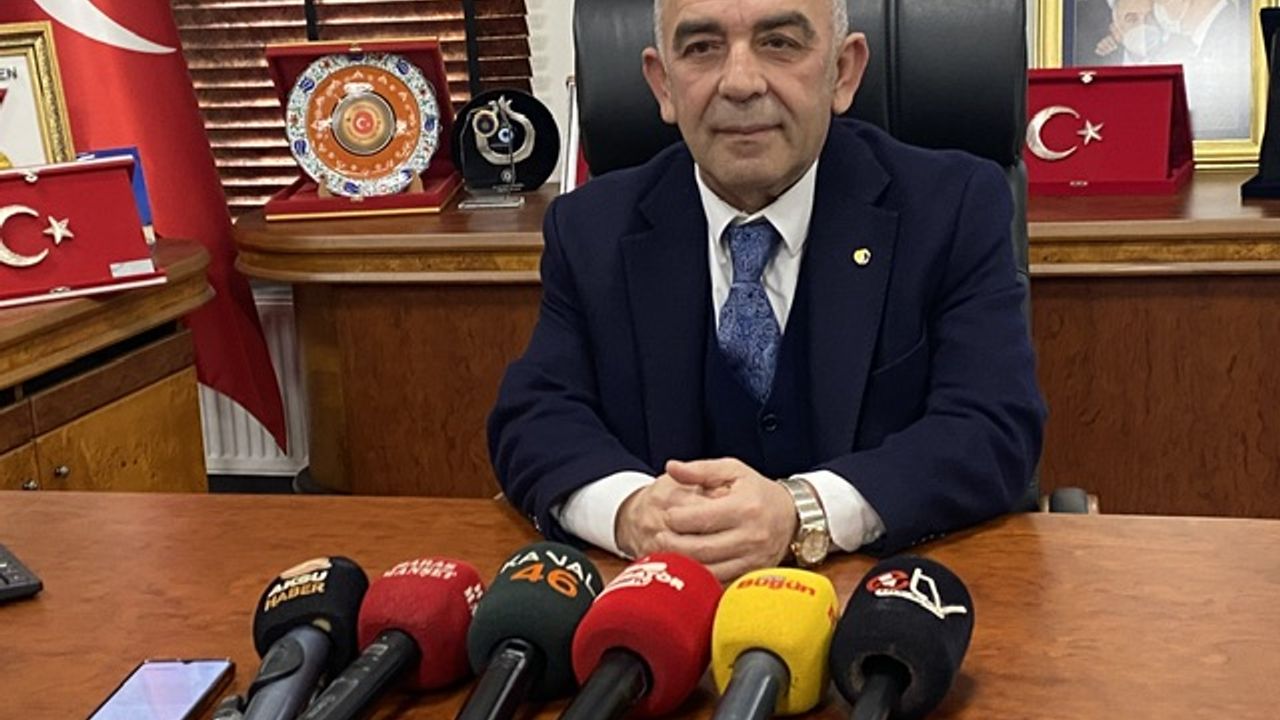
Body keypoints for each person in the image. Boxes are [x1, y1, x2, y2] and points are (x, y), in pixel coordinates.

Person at [488, 0, 1046, 582]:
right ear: (663, 85)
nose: (740, 82)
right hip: (660, 604)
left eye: (779, 43)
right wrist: (631, 512)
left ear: (843, 71)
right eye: (702, 48)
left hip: (880, 598)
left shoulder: (951, 206)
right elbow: (535, 415)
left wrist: (803, 512)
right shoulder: (591, 228)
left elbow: (991, 424)